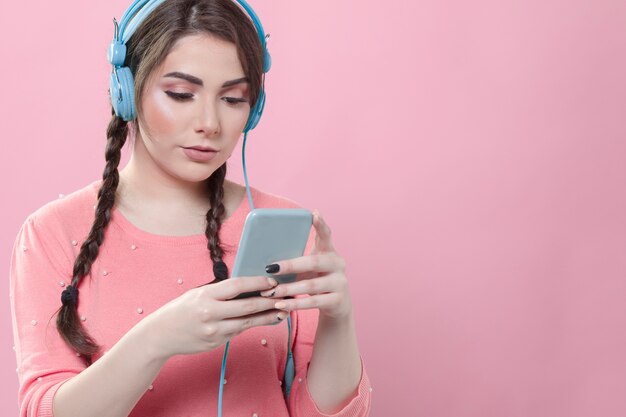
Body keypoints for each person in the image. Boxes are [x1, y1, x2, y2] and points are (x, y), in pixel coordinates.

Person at [9, 0, 372, 416]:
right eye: (181, 94)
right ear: (125, 92)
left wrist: (338, 317)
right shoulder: (52, 233)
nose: (210, 123)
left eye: (233, 98)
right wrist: (158, 338)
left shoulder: (289, 229)